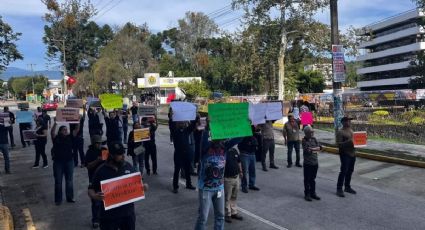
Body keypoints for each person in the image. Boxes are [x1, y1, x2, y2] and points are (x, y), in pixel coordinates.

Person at [88, 142, 148, 230]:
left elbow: (138, 182)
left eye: (123, 153)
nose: (123, 156)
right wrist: (94, 196)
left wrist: (144, 187)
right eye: (120, 154)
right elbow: (91, 189)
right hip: (109, 217)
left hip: (128, 215)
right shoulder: (101, 170)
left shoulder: (128, 166)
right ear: (112, 155)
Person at [195, 124, 241, 230]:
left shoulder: (224, 147)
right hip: (206, 189)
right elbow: (205, 139)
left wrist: (246, 126)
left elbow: (238, 138)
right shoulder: (206, 148)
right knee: (203, 218)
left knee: (220, 216)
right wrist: (207, 128)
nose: (220, 140)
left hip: (219, 188)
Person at [51, 117, 80, 205]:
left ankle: (70, 197)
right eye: (64, 130)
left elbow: (77, 129)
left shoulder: (69, 137)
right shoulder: (56, 138)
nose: (65, 131)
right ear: (60, 131)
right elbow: (52, 132)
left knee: (69, 181)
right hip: (58, 162)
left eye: (66, 129)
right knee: (58, 182)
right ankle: (58, 200)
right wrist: (55, 122)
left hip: (69, 162)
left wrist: (78, 120)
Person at [85, 135, 107, 229]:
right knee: (96, 202)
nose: (99, 144)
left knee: (105, 201)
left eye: (100, 142)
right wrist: (97, 161)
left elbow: (108, 162)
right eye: (98, 143)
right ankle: (95, 220)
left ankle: (104, 218)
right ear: (94, 143)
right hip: (94, 180)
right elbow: (88, 166)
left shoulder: (104, 150)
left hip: (105, 179)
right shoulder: (89, 152)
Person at [171, 121, 197, 193]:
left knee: (187, 170)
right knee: (177, 170)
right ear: (178, 124)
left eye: (183, 123)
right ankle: (175, 187)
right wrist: (172, 117)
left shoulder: (187, 131)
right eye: (180, 123)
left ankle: (188, 184)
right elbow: (171, 124)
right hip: (178, 154)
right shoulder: (175, 132)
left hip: (186, 153)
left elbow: (193, 125)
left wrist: (195, 117)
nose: (182, 124)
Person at [336, 117, 357, 197]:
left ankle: (347, 187)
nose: (349, 122)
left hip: (353, 153)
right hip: (345, 154)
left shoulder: (351, 130)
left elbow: (354, 142)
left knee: (350, 171)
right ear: (343, 122)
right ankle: (339, 188)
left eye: (350, 120)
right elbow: (338, 144)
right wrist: (349, 142)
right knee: (344, 171)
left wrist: (361, 141)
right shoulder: (340, 132)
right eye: (347, 121)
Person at [301, 126, 322, 201]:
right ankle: (307, 194)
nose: (312, 133)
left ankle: (313, 193)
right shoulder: (304, 140)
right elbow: (307, 151)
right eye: (311, 132)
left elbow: (320, 147)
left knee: (313, 179)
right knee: (307, 179)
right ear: (307, 133)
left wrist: (313, 149)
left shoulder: (314, 139)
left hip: (315, 163)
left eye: (312, 132)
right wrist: (316, 149)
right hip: (308, 163)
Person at [223, 147, 243, 223]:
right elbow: (222, 165)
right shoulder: (223, 152)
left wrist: (241, 171)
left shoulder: (234, 150)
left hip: (236, 177)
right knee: (227, 197)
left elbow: (239, 162)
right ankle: (227, 214)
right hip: (227, 178)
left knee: (234, 196)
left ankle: (234, 212)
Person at [238, 127, 260, 193]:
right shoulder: (242, 133)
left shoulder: (253, 131)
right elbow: (240, 144)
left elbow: (257, 130)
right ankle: (244, 186)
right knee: (244, 171)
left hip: (252, 154)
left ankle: (252, 184)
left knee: (252, 170)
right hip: (245, 154)